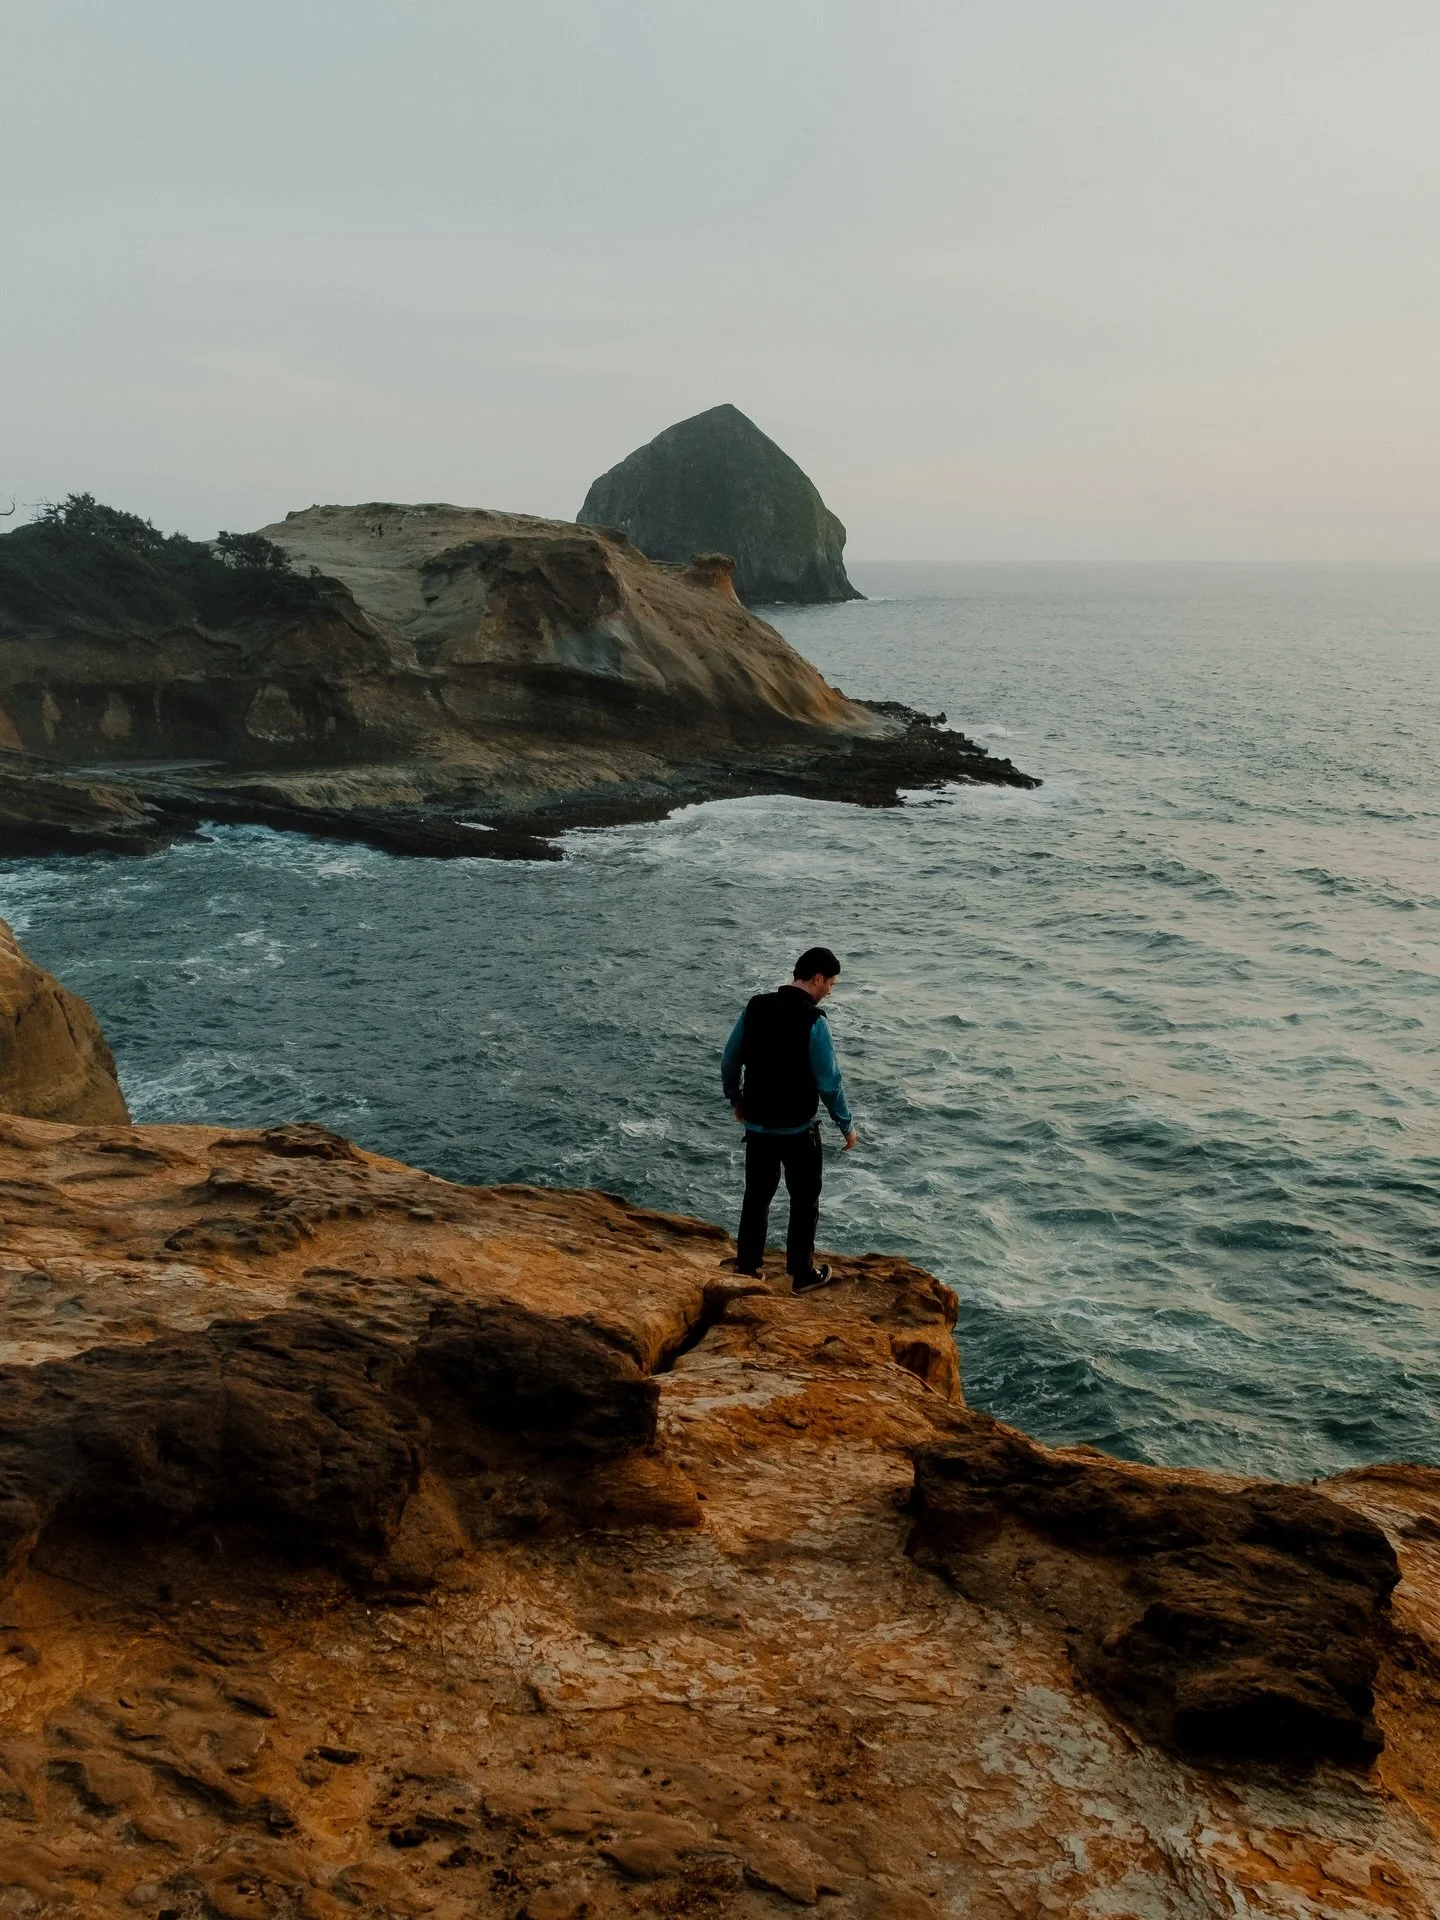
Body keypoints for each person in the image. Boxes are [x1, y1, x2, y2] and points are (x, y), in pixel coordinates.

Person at [720, 946, 859, 1293]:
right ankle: (801, 1274)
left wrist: (736, 1100)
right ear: (816, 979)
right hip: (798, 1130)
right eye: (831, 983)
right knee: (804, 1200)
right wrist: (846, 1124)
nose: (831, 990)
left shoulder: (755, 1007)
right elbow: (830, 1082)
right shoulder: (814, 1021)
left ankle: (748, 1268)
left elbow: (729, 1061)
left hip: (759, 1126)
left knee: (756, 1197)